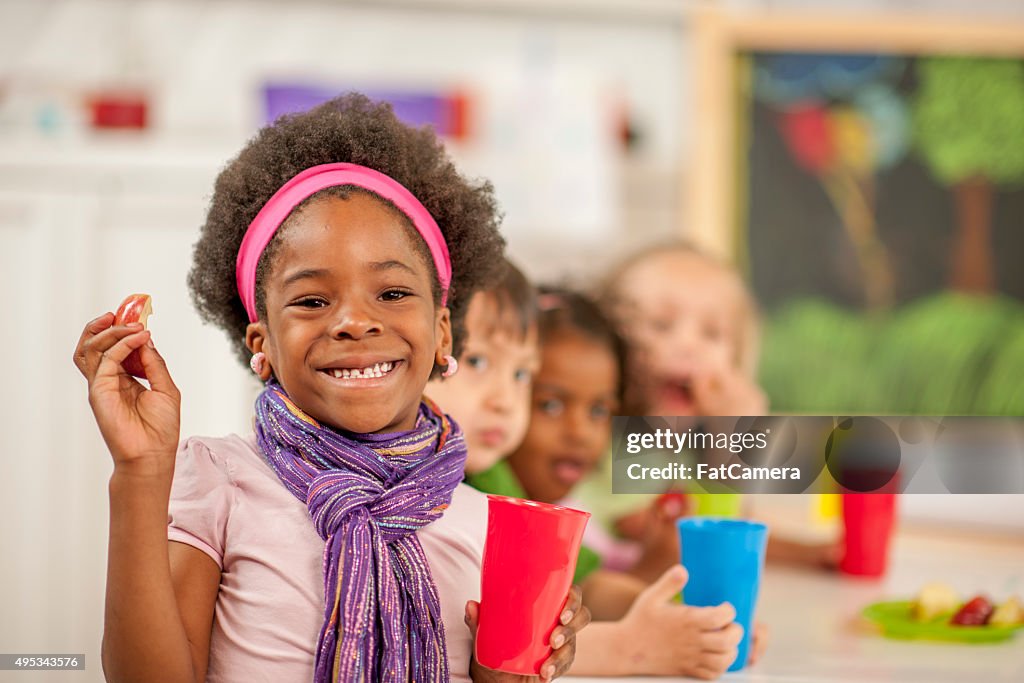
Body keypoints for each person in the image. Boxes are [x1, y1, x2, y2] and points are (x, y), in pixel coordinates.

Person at [72, 93, 587, 683]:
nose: (355, 322)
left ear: (443, 332)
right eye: (313, 300)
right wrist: (140, 472)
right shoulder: (220, 478)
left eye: (392, 293)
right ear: (260, 346)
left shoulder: (490, 526)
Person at [437, 280, 757, 678]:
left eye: (599, 411)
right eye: (551, 404)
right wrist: (649, 637)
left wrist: (692, 624)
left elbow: (589, 583)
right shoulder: (483, 482)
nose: (580, 433)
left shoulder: (531, 498)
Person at [598, 241, 840, 569]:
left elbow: (733, 523)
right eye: (661, 325)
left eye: (712, 333)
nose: (688, 345)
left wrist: (811, 554)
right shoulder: (611, 439)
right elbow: (698, 537)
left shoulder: (683, 446)